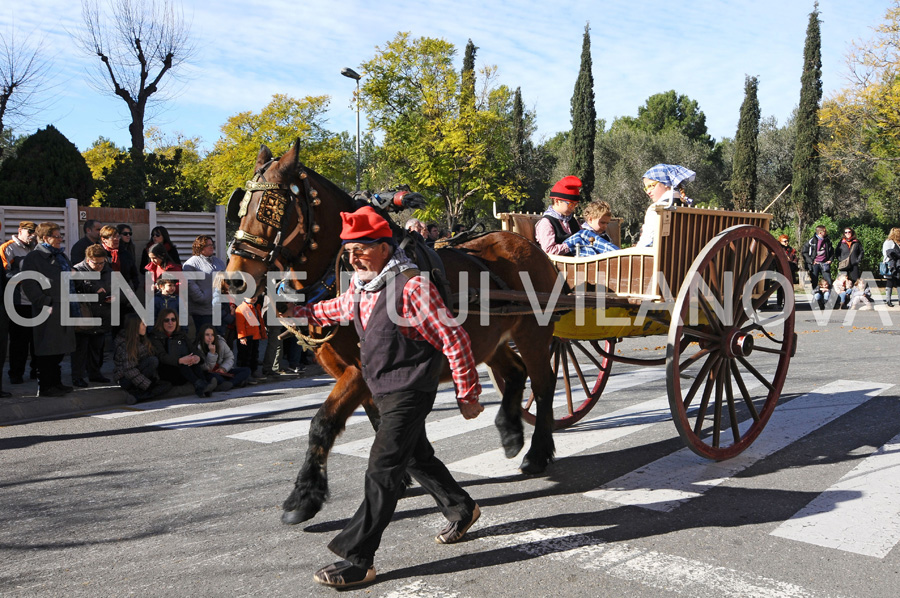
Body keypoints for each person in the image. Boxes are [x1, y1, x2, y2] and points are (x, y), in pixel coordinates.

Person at [289, 206, 484, 589]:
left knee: (383, 468)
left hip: (410, 390)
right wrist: (300, 312)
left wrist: (468, 393)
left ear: (383, 248)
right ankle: (462, 509)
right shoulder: (363, 285)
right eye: (348, 251)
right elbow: (340, 309)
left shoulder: (412, 287)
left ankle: (359, 558)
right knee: (415, 457)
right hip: (385, 387)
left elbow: (454, 338)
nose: (353, 257)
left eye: (360, 248)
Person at [19, 222, 76, 397]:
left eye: (60, 236)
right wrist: (44, 301)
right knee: (47, 349)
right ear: (45, 238)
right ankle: (45, 385)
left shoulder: (60, 256)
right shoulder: (34, 258)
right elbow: (28, 283)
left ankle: (56, 382)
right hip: (48, 308)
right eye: (57, 236)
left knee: (59, 349)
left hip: (64, 307)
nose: (60, 239)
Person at [149, 308, 217, 397]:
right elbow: (162, 356)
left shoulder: (181, 334)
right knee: (184, 362)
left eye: (173, 320)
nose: (170, 323)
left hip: (184, 370)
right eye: (166, 320)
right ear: (161, 322)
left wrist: (197, 358)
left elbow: (194, 350)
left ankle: (202, 386)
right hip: (168, 371)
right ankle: (203, 386)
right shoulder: (155, 337)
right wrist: (180, 360)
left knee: (192, 360)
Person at [71, 244, 113, 387]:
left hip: (102, 314)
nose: (100, 266)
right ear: (88, 260)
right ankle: (77, 376)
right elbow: (72, 291)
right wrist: (93, 290)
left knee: (97, 347)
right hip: (84, 315)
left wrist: (114, 297)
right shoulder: (77, 270)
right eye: (97, 263)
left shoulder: (108, 270)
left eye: (103, 262)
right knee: (80, 349)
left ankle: (95, 373)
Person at [1, 221, 38, 384]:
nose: (32, 235)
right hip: (17, 302)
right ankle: (16, 373)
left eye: (34, 232)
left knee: (37, 340)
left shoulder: (37, 247)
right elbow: (4, 275)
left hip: (36, 301)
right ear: (20, 231)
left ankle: (36, 371)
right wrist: (23, 277)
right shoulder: (7, 248)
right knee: (19, 342)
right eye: (29, 232)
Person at [113, 313, 171, 404]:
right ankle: (139, 392)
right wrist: (147, 384)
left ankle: (138, 396)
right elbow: (129, 370)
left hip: (140, 377)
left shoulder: (142, 339)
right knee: (152, 361)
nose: (146, 326)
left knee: (166, 385)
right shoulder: (126, 343)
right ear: (135, 326)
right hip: (126, 379)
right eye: (143, 324)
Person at [636, 164, 695, 247]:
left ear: (666, 183)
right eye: (646, 188)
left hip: (661, 259)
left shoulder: (657, 209)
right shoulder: (689, 209)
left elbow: (646, 243)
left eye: (651, 186)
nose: (648, 192)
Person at [182, 235, 226, 333]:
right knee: (205, 340)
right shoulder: (191, 264)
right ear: (199, 247)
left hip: (219, 309)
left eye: (212, 244)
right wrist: (204, 298)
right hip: (202, 311)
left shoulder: (219, 262)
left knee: (220, 339)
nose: (211, 247)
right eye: (207, 245)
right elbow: (190, 285)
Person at [195, 324, 251, 392]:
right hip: (210, 372)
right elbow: (208, 368)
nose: (210, 337)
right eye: (207, 335)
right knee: (214, 378)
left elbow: (230, 357)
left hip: (221, 371)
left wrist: (223, 368)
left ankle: (231, 383)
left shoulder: (220, 342)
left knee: (246, 370)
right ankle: (236, 382)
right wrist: (212, 353)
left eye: (212, 335)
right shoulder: (198, 348)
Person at [535, 175, 581, 255]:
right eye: (571, 204)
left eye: (575, 205)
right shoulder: (546, 223)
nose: (573, 208)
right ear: (557, 201)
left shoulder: (573, 220)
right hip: (558, 265)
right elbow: (549, 251)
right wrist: (571, 244)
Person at [235, 295, 266, 380]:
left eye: (255, 296)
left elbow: (260, 322)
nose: (254, 298)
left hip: (255, 336)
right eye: (251, 296)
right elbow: (240, 325)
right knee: (245, 356)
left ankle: (253, 371)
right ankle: (246, 373)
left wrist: (262, 333)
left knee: (254, 355)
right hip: (247, 337)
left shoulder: (256, 307)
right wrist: (242, 337)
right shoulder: (241, 308)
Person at [100, 225, 139, 290]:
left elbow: (133, 273)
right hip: (105, 291)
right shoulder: (98, 253)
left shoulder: (125, 253)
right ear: (104, 239)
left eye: (118, 236)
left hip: (124, 291)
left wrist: (133, 287)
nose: (116, 239)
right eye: (113, 237)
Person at [802, 225, 834, 297]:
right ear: (820, 232)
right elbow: (804, 252)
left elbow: (832, 251)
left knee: (828, 280)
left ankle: (827, 297)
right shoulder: (812, 241)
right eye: (825, 231)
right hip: (815, 263)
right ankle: (816, 298)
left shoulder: (827, 241)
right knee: (814, 281)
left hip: (824, 263)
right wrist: (811, 261)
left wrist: (830, 260)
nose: (826, 232)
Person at [776, 234, 799, 310]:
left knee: (789, 288)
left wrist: (793, 263)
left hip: (790, 270)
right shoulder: (778, 249)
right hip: (780, 270)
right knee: (780, 287)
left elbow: (795, 259)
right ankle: (779, 303)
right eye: (785, 241)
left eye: (787, 241)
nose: (787, 242)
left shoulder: (791, 250)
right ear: (780, 241)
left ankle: (788, 303)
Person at [882, 228, 900, 307]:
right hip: (891, 264)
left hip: (899, 265)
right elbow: (886, 253)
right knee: (890, 281)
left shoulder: (898, 242)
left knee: (899, 282)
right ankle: (888, 300)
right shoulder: (889, 242)